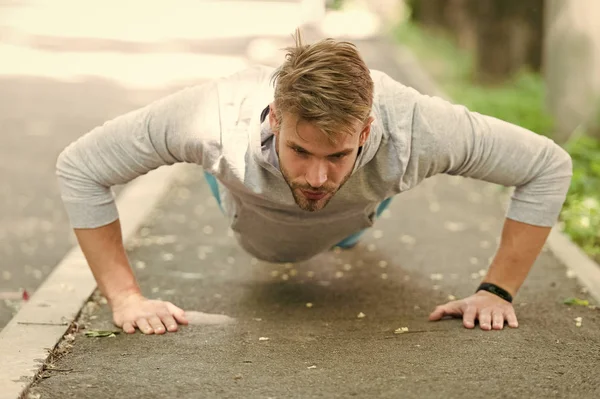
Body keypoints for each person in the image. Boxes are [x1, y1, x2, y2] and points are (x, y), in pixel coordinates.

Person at [56, 31, 572, 336]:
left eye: (339, 153)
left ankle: (363, 192)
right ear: (276, 118)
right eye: (301, 150)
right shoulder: (211, 115)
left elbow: (547, 166)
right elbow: (81, 167)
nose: (317, 176)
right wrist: (125, 299)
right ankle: (230, 176)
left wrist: (497, 291)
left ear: (367, 130)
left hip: (365, 200)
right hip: (251, 205)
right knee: (253, 201)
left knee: (354, 199)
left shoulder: (422, 128)